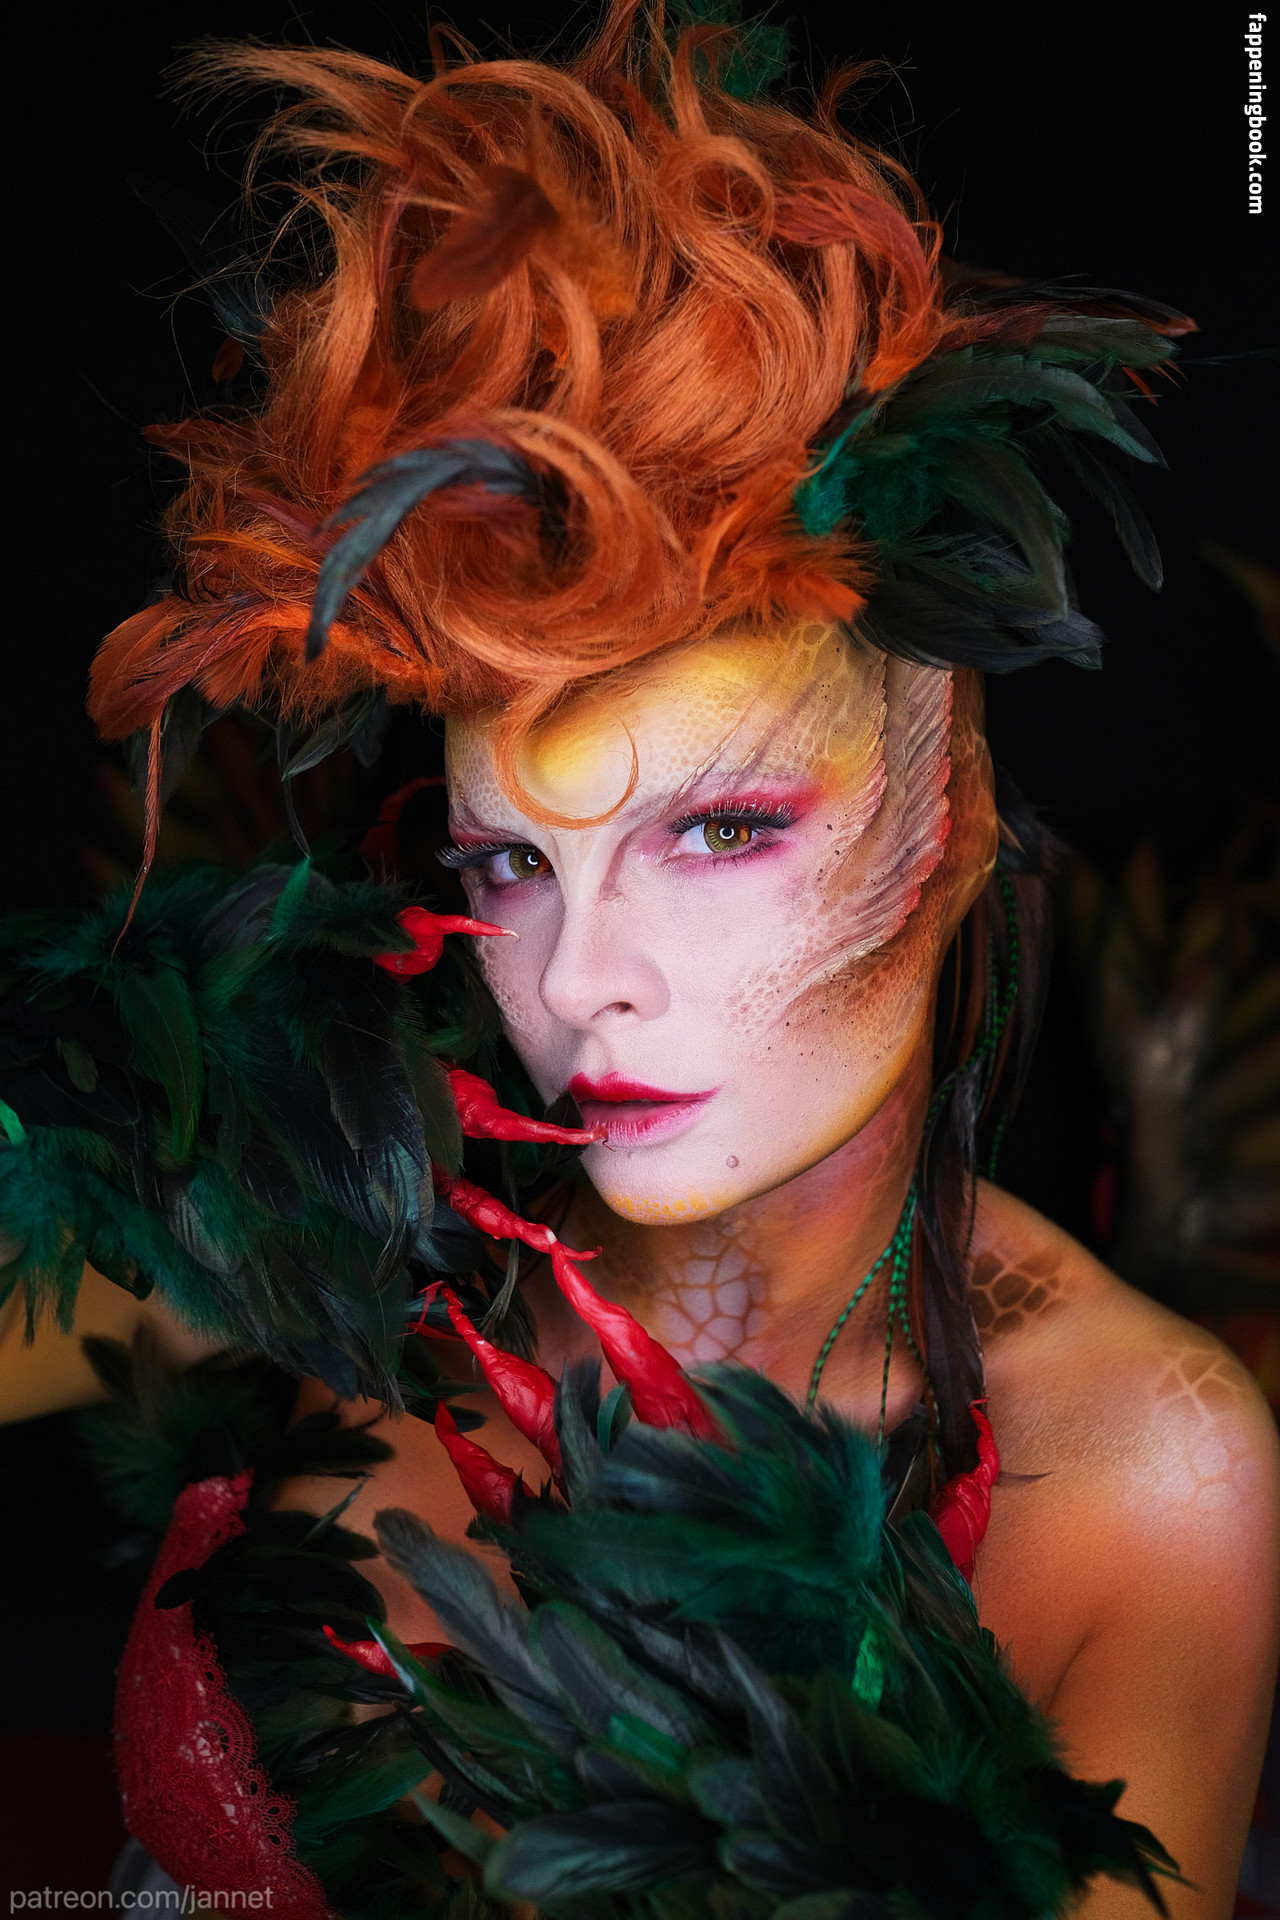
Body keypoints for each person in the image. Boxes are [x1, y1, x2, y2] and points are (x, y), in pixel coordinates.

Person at [0, 3, 1276, 1913]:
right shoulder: (335, 1217)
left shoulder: (1141, 1470)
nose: (581, 975)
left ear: (941, 823)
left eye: (720, 831)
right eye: (512, 861)